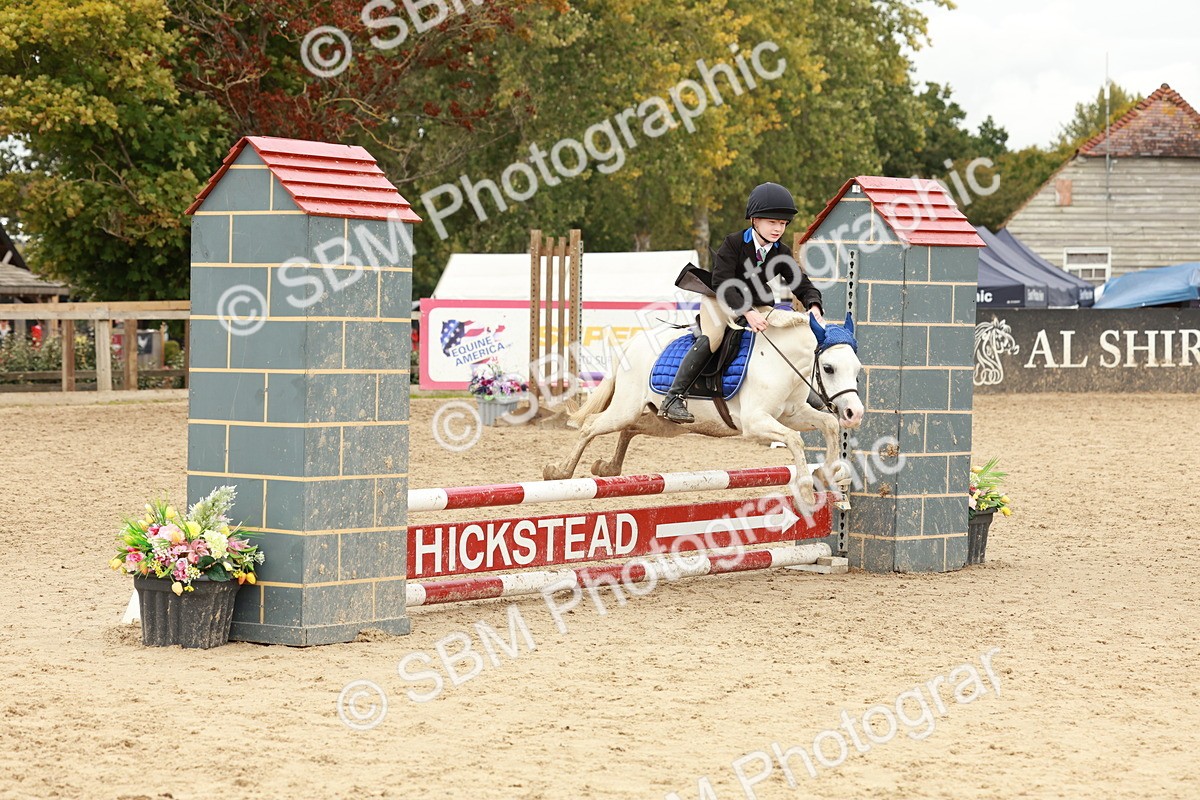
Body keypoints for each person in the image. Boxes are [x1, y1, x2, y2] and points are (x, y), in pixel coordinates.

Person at [660, 182, 825, 424]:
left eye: (782, 223)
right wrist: (747, 312)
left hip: (757, 302)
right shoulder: (734, 243)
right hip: (721, 299)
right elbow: (723, 282)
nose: (778, 228)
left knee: (786, 333)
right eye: (772, 222)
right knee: (714, 339)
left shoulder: (781, 252)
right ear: (755, 221)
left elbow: (801, 283)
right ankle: (673, 398)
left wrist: (814, 305)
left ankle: (803, 390)